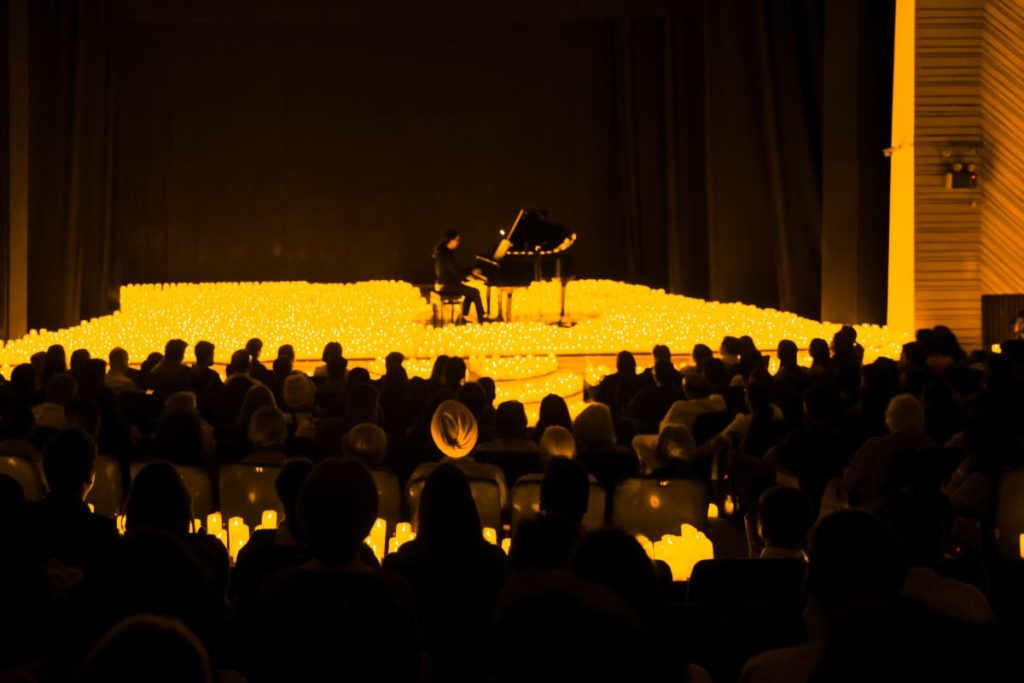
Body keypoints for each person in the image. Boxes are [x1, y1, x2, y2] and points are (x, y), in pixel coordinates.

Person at [433, 229, 486, 323]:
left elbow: (455, 270)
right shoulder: (446, 254)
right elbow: (456, 271)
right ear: (451, 240)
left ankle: (463, 317)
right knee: (475, 292)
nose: (458, 242)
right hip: (447, 285)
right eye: (457, 240)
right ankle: (482, 318)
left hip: (445, 283)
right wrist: (470, 273)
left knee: (471, 292)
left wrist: (469, 273)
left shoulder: (444, 252)